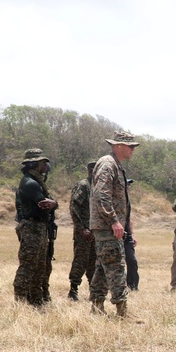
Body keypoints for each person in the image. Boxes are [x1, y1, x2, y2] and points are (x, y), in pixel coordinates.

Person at [90, 131, 135, 317]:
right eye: (130, 146)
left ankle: (96, 308)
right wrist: (114, 221)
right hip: (107, 226)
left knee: (103, 267)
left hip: (107, 226)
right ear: (118, 146)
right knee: (116, 266)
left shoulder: (115, 165)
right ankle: (122, 312)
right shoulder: (108, 164)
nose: (133, 149)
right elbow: (102, 195)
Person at [13, 149, 58, 307]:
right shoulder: (30, 183)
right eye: (42, 163)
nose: (45, 166)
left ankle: (36, 301)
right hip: (32, 227)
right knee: (28, 265)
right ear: (33, 164)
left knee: (40, 266)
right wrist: (53, 204)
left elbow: (51, 202)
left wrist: (54, 203)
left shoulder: (36, 181)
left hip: (39, 227)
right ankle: (20, 301)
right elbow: (45, 203)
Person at [67, 161, 96, 301]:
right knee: (80, 261)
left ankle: (94, 290)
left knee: (94, 262)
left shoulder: (98, 186)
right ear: (91, 170)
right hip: (84, 232)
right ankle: (73, 290)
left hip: (95, 231)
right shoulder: (84, 185)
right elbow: (74, 206)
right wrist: (81, 228)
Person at [124, 179, 139, 291]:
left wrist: (132, 234)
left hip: (126, 235)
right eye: (126, 184)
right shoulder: (111, 198)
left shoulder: (127, 200)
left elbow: (129, 219)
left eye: (129, 185)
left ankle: (132, 285)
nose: (128, 187)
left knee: (132, 261)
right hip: (114, 235)